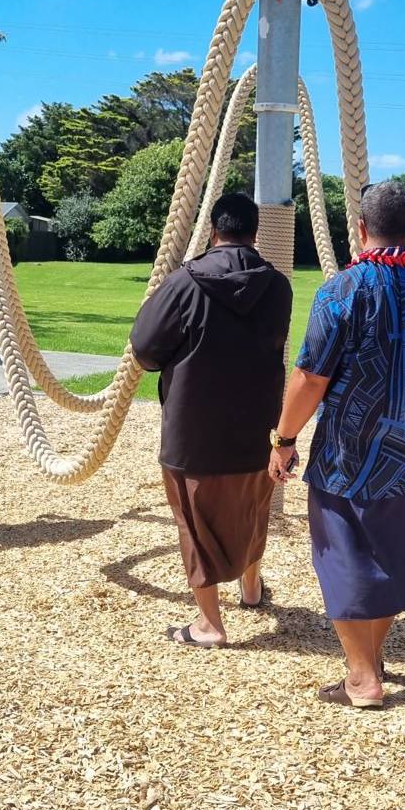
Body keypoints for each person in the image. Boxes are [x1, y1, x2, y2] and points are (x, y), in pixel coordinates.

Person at [268, 180, 405, 710]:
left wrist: (284, 440)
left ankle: (361, 677)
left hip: (346, 455)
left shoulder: (343, 290)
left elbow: (311, 378)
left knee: (342, 554)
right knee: (391, 553)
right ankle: (370, 658)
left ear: (360, 229)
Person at [131, 192, 292, 648]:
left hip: (193, 426)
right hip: (259, 423)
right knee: (254, 508)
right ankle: (252, 585)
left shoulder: (185, 283)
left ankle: (209, 624)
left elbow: (144, 348)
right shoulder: (278, 286)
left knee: (193, 521)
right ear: (255, 232)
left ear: (212, 230)